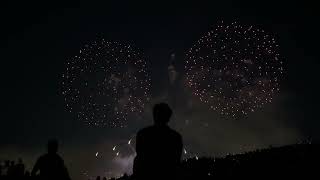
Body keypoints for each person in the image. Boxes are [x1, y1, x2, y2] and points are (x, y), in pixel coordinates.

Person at [133, 103, 183, 179]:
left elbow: (140, 158)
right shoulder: (175, 137)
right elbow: (176, 162)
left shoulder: (143, 134)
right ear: (168, 117)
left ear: (154, 116)